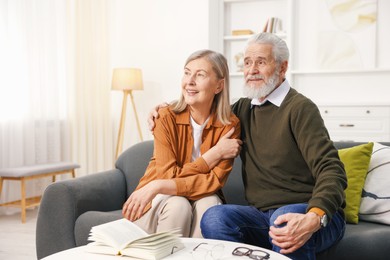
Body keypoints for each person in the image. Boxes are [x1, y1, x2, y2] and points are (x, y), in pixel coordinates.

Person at [148, 33, 347, 260]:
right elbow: (203, 107)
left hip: (313, 216)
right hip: (262, 218)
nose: (252, 69)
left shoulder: (300, 108)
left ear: (282, 68)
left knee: (283, 218)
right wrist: (165, 110)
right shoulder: (242, 110)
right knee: (214, 217)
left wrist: (315, 216)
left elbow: (332, 169)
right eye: (247, 62)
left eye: (261, 62)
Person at [122, 49, 241, 238]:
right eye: (187, 72)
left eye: (200, 75)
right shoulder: (164, 117)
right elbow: (167, 175)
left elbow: (213, 182)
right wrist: (214, 154)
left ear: (219, 86)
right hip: (158, 200)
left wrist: (163, 184)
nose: (190, 81)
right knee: (179, 205)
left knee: (210, 204)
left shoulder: (229, 125)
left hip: (195, 195)